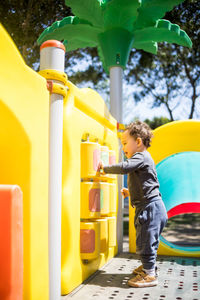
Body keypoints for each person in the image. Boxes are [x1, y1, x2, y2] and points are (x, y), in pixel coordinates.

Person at [97, 120, 168, 288]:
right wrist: (131, 192)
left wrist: (104, 168)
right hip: (153, 206)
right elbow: (147, 184)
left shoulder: (140, 157)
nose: (123, 148)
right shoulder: (143, 159)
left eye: (124, 143)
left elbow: (124, 167)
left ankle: (150, 275)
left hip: (150, 208)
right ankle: (148, 267)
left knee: (145, 241)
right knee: (148, 240)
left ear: (138, 141)